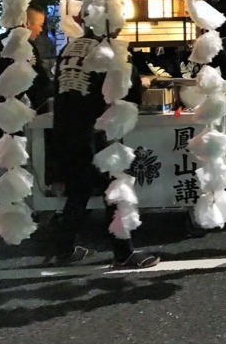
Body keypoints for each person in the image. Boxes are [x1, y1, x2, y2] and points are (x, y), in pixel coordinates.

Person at [49, 29, 159, 268]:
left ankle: (64, 249)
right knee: (114, 189)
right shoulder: (113, 50)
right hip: (98, 130)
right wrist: (143, 84)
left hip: (65, 127)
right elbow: (129, 95)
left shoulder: (70, 48)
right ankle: (123, 253)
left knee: (79, 191)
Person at [0, 6, 53, 238]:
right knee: (13, 166)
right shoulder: (24, 46)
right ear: (27, 24)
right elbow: (39, 83)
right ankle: (14, 214)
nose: (39, 30)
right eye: (38, 25)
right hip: (5, 116)